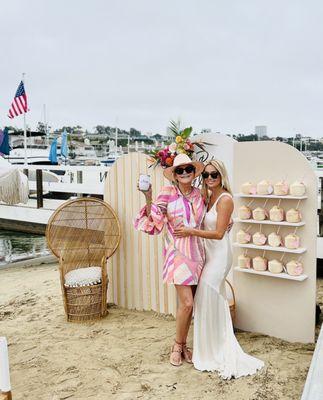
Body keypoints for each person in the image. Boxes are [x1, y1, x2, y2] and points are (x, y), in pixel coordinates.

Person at [174, 160, 264, 379]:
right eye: (205, 175)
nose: (210, 178)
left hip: (220, 256)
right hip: (209, 255)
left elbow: (218, 234)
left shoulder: (225, 199)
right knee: (207, 300)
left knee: (207, 296)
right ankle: (209, 347)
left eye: (214, 174)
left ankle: (216, 349)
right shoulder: (207, 197)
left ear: (221, 175)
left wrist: (190, 231)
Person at [134, 153, 205, 366]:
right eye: (179, 170)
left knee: (190, 306)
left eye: (188, 170)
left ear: (193, 173)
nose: (184, 173)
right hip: (177, 253)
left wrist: (226, 224)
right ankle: (176, 345)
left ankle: (183, 346)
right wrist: (148, 195)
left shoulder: (200, 194)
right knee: (187, 303)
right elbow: (154, 216)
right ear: (174, 174)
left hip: (198, 253)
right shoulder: (168, 192)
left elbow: (207, 220)